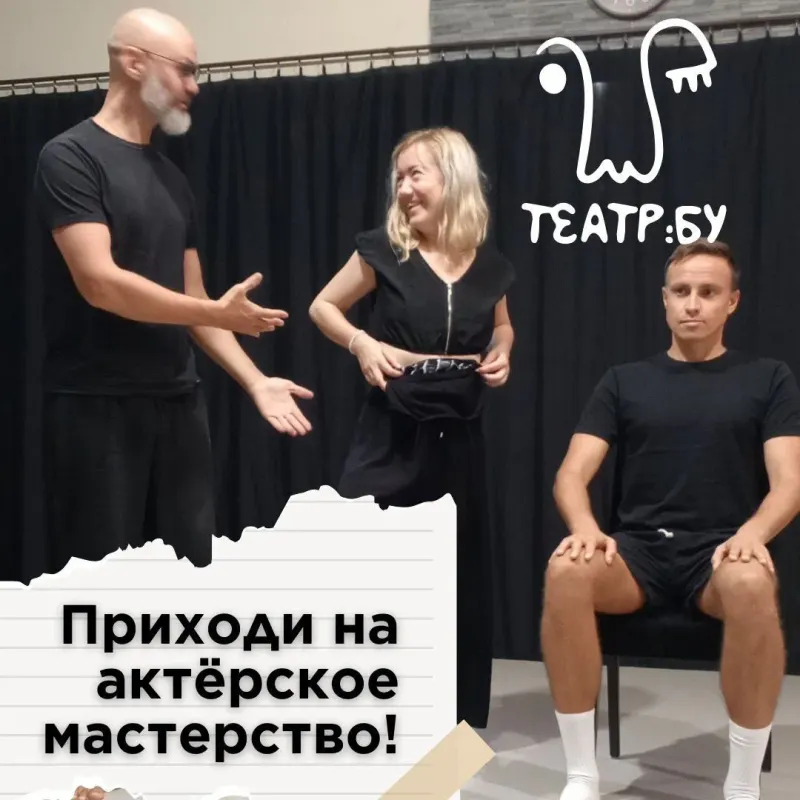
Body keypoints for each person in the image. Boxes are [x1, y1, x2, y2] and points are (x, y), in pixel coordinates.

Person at [32, 8, 313, 574]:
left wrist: (256, 381)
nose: (194, 85)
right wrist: (213, 310)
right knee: (102, 588)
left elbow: (195, 301)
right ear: (134, 63)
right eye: (185, 69)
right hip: (97, 410)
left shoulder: (172, 178)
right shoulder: (70, 157)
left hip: (179, 408)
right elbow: (100, 283)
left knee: (188, 577)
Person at [543, 238, 800, 800]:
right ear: (664, 300)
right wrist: (585, 529)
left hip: (719, 551)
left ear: (732, 302)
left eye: (708, 292)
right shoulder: (624, 380)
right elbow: (570, 475)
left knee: (751, 581)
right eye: (681, 291)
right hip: (637, 554)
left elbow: (790, 483)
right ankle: (581, 776)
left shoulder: (768, 377)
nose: (693, 304)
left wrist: (752, 534)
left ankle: (741, 785)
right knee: (566, 570)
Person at [308, 126, 516, 728]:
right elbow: (323, 306)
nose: (403, 189)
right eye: (399, 178)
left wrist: (503, 349)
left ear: (453, 178)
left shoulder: (490, 266)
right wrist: (362, 343)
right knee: (369, 569)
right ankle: (363, 706)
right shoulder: (382, 251)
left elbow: (503, 326)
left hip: (461, 429)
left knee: (457, 574)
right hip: (392, 427)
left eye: (416, 174)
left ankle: (450, 717)